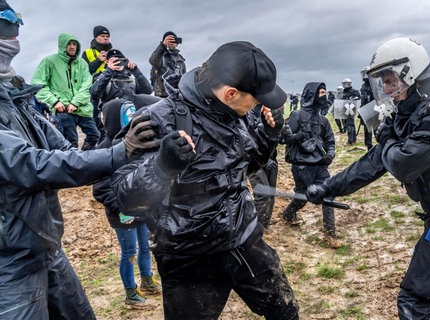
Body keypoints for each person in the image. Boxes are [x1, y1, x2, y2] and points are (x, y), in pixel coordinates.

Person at [305, 38, 430, 320]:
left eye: (389, 81)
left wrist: (387, 139)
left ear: (409, 72)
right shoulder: (417, 104)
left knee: (415, 299)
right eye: (382, 83)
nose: (385, 90)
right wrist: (328, 188)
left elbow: (402, 164)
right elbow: (375, 161)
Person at [111, 40, 299, 319]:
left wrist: (269, 136)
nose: (258, 104)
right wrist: (162, 167)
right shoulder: (156, 120)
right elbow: (122, 199)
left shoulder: (236, 114)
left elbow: (242, 168)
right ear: (231, 93)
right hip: (189, 259)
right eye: (256, 98)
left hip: (245, 239)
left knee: (286, 313)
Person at [0, 2, 160, 318]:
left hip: (46, 247)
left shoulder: (17, 99)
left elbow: (70, 154)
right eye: (6, 28)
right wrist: (118, 152)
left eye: (16, 27)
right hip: (9, 262)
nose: (14, 37)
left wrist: (135, 158)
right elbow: (32, 165)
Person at [92, 99, 162, 307]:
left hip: (140, 210)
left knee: (145, 247)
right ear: (115, 118)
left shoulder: (134, 143)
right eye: (127, 113)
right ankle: (130, 293)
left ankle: (147, 281)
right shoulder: (105, 149)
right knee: (129, 251)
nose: (132, 117)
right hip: (122, 214)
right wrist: (122, 207)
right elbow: (100, 189)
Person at [279, 82, 339, 248]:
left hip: (320, 165)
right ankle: (288, 214)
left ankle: (330, 234)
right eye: (321, 92)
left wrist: (330, 155)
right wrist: (296, 137)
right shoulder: (296, 115)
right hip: (301, 166)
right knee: (304, 197)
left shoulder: (323, 121)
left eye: (325, 92)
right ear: (311, 94)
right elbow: (283, 139)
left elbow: (330, 141)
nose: (324, 95)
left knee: (328, 195)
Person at [31, 33, 100, 150]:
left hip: (82, 108)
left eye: (74, 44)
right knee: (70, 141)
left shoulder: (82, 63)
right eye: (69, 44)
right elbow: (37, 84)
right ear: (62, 45)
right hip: (62, 109)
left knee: (95, 135)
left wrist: (76, 102)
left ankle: (84, 158)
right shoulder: (49, 61)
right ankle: (71, 165)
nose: (72, 47)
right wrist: (54, 102)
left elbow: (87, 85)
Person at [248, 103, 280, 229]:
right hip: (255, 163)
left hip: (272, 158)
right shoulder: (247, 113)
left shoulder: (272, 111)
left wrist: (284, 132)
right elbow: (247, 142)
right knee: (262, 195)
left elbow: (278, 137)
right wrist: (265, 161)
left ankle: (265, 223)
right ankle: (256, 227)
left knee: (271, 194)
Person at [81, 25, 113, 140]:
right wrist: (98, 60)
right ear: (96, 38)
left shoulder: (113, 52)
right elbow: (84, 73)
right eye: (103, 36)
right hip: (95, 93)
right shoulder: (87, 53)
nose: (106, 38)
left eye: (107, 36)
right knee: (97, 125)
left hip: (111, 92)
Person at [149, 31, 186, 98]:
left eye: (173, 41)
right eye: (169, 40)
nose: (171, 43)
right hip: (162, 95)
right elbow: (153, 61)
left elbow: (184, 79)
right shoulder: (160, 57)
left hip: (177, 94)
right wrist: (163, 45)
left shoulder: (181, 61)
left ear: (177, 43)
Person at [340, 78, 361, 145]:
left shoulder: (353, 91)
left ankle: (350, 141)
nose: (344, 85)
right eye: (343, 84)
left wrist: (351, 99)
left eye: (345, 84)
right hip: (345, 110)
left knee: (349, 125)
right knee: (350, 125)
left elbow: (358, 98)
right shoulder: (344, 92)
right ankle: (353, 139)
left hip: (350, 110)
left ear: (349, 84)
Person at [359, 66, 374, 150]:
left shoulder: (374, 84)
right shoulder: (363, 86)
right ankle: (369, 146)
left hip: (374, 109)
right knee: (367, 129)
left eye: (366, 73)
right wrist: (360, 113)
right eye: (363, 73)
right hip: (366, 110)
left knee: (376, 129)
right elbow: (362, 100)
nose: (365, 75)